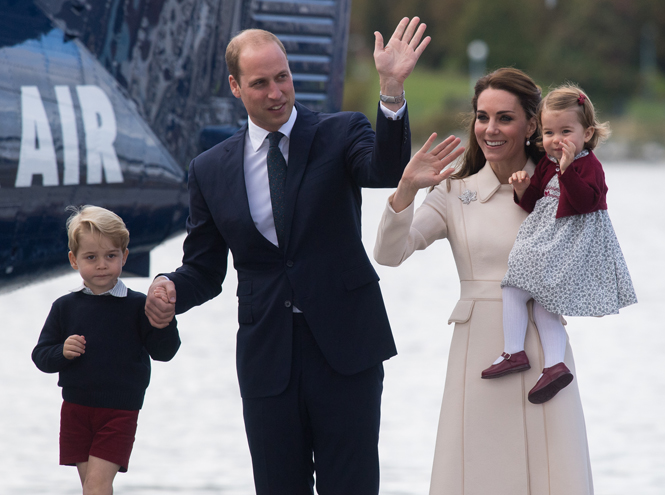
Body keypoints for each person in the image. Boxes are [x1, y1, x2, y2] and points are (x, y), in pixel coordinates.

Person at [144, 18, 434, 495]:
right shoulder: (210, 169)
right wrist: (170, 287)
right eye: (261, 83)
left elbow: (384, 169)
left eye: (283, 77)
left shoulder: (341, 132)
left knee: (352, 485)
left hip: (346, 348)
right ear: (236, 87)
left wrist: (392, 92)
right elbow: (204, 269)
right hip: (267, 357)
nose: (277, 92)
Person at [374, 68, 594, 494]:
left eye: (504, 118)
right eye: (482, 117)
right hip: (480, 355)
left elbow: (587, 251)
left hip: (546, 355)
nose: (490, 129)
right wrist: (405, 189)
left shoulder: (562, 183)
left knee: (554, 474)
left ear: (532, 125)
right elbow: (390, 254)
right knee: (477, 471)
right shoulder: (454, 192)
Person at [482, 84, 637, 403]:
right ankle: (554, 365)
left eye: (566, 131)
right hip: (551, 240)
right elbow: (533, 203)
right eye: (550, 132)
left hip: (571, 244)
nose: (556, 140)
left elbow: (583, 202)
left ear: (587, 132)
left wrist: (567, 170)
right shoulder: (547, 165)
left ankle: (514, 352)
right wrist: (524, 189)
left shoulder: (587, 165)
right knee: (543, 303)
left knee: (514, 285)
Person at [31, 205, 181, 495]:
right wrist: (62, 351)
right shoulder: (65, 306)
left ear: (124, 257)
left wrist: (165, 321)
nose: (101, 264)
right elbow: (41, 355)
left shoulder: (138, 305)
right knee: (92, 488)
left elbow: (164, 352)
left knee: (97, 487)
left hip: (119, 410)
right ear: (74, 260)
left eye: (110, 256)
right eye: (91, 257)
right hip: (75, 410)